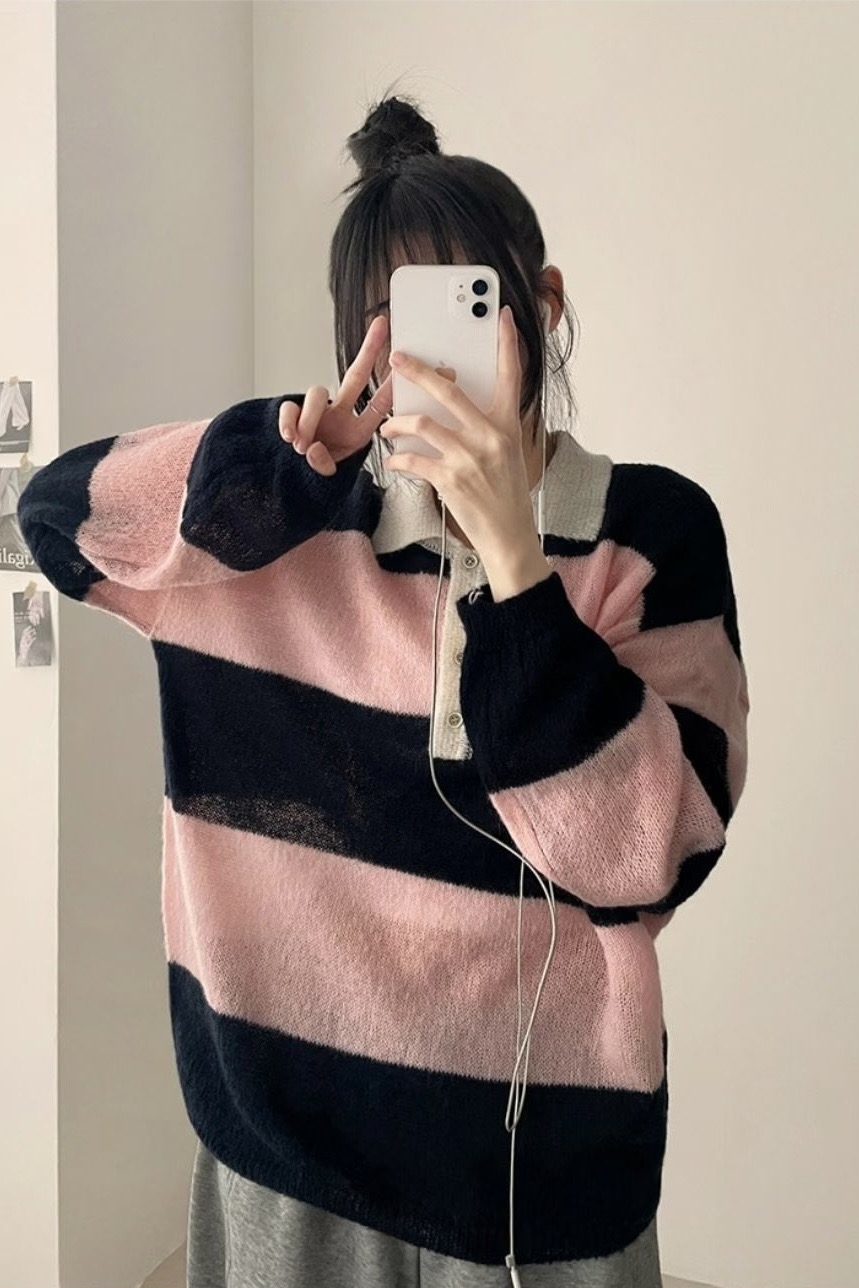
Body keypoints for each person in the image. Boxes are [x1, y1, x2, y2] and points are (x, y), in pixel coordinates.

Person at [17, 86, 749, 1288]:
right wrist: (272, 467)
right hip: (285, 1153)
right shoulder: (267, 531)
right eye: (391, 326)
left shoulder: (651, 532)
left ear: (541, 306)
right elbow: (55, 518)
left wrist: (514, 564)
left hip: (540, 1179)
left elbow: (644, 860)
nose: (429, 359)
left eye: (465, 308)